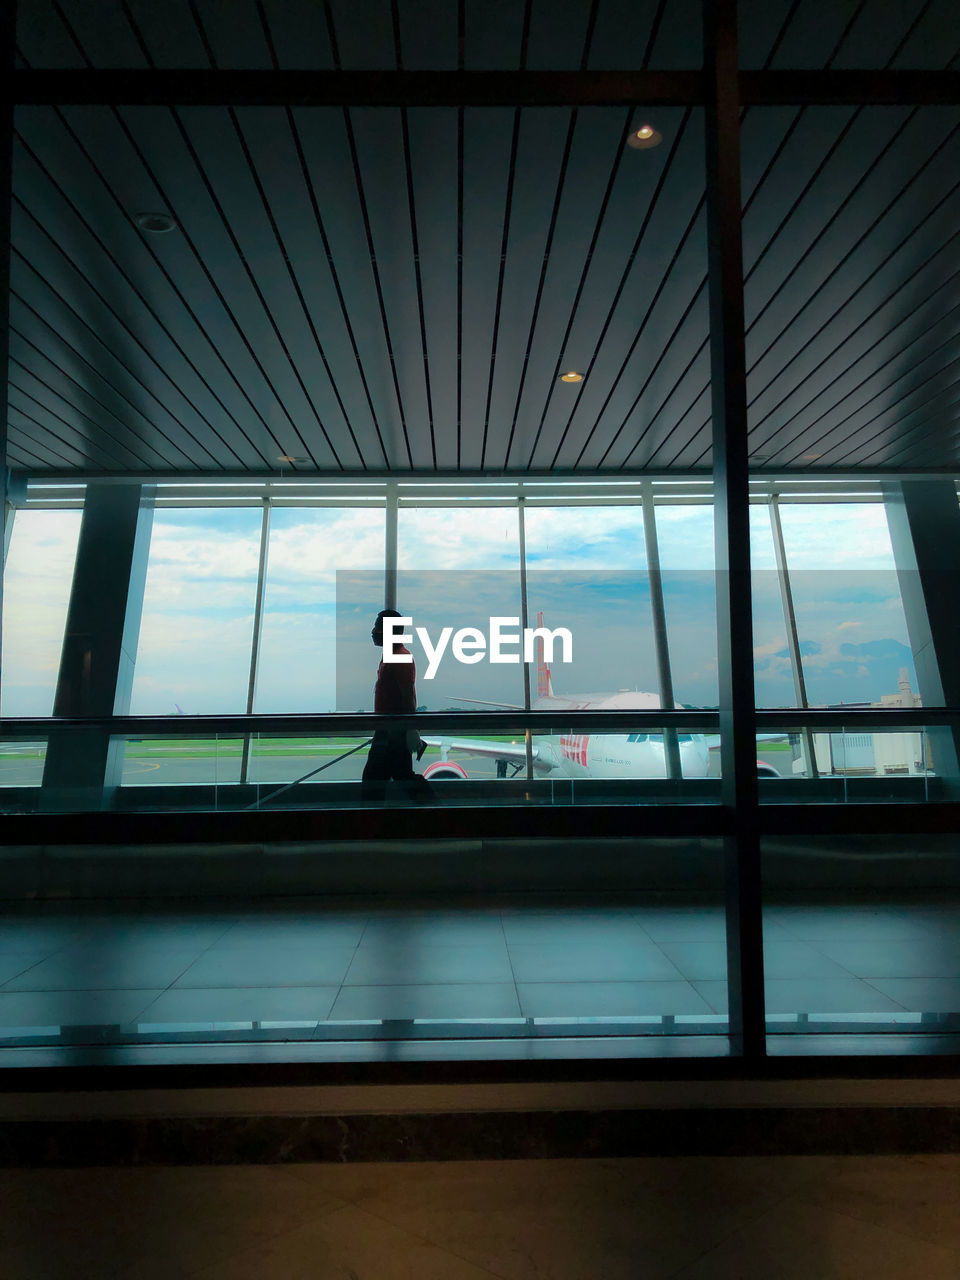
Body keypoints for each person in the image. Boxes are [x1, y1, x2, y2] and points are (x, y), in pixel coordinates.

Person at [361, 608, 432, 803]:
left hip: (392, 733)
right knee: (401, 777)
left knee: (374, 781)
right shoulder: (393, 655)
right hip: (391, 731)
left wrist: (409, 728)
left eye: (377, 627)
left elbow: (407, 697)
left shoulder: (399, 656)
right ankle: (435, 809)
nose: (373, 631)